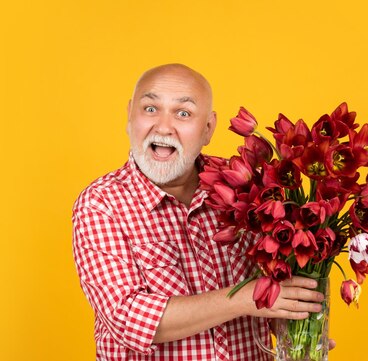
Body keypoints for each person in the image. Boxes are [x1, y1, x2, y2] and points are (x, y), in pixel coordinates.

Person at [72, 64, 326, 360]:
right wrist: (244, 297)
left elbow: (269, 287)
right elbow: (129, 319)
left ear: (208, 128)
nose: (164, 127)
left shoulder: (244, 186)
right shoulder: (101, 203)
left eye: (183, 113)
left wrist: (297, 329)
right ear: (130, 116)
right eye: (150, 109)